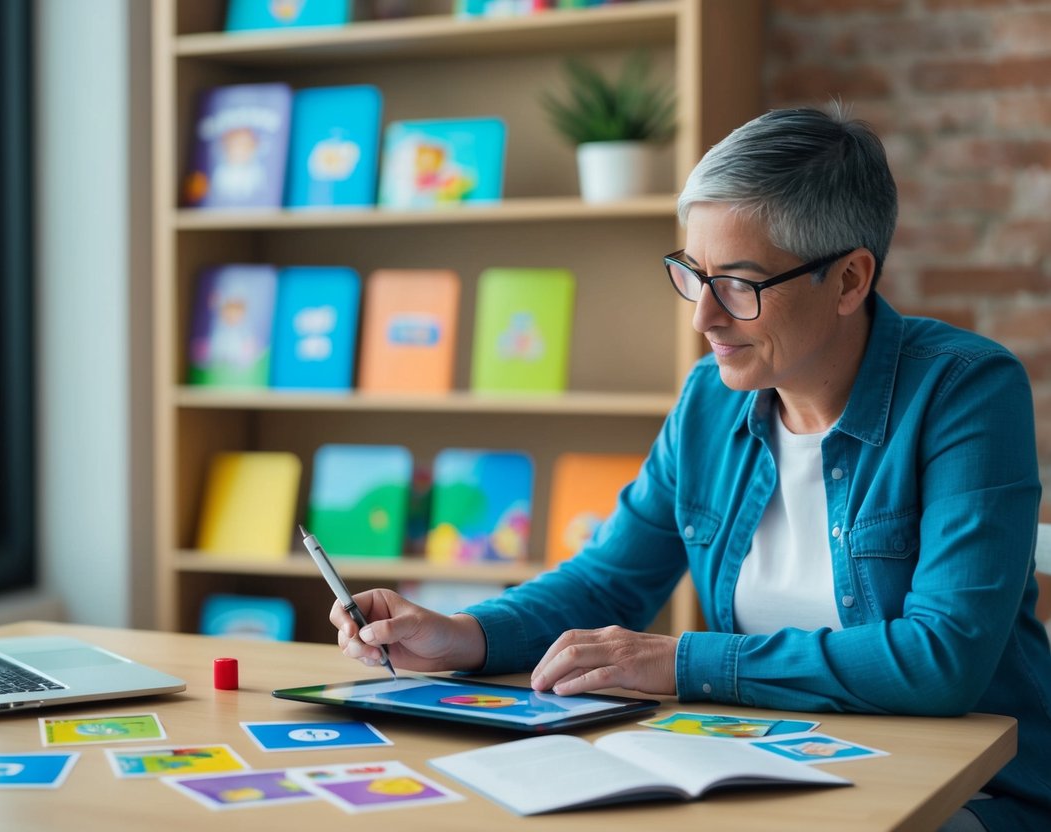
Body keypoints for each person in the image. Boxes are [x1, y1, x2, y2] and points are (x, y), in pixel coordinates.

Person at [329, 106, 1051, 830]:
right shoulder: (710, 397)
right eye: (691, 274)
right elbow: (607, 579)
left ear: (848, 280)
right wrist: (464, 634)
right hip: (779, 773)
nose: (702, 316)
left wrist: (683, 663)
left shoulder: (965, 390)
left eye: (738, 283)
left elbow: (941, 657)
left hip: (973, 795)